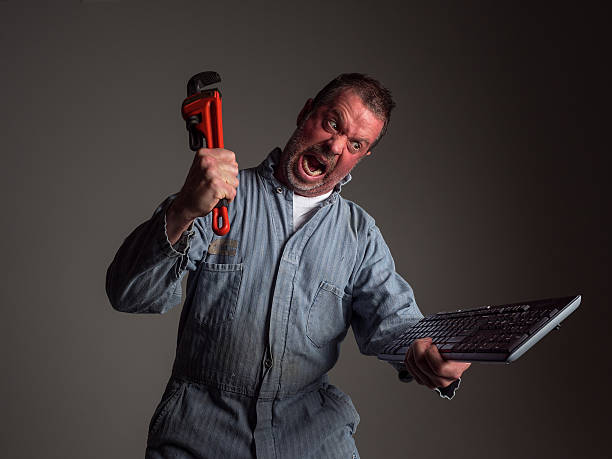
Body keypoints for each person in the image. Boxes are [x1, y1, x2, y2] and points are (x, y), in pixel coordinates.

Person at [106, 73, 471, 458]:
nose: (335, 145)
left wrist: (433, 356)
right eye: (333, 123)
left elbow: (398, 328)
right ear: (305, 112)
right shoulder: (216, 198)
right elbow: (129, 294)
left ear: (362, 157)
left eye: (355, 143)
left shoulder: (359, 235)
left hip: (312, 438)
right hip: (198, 438)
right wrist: (182, 210)